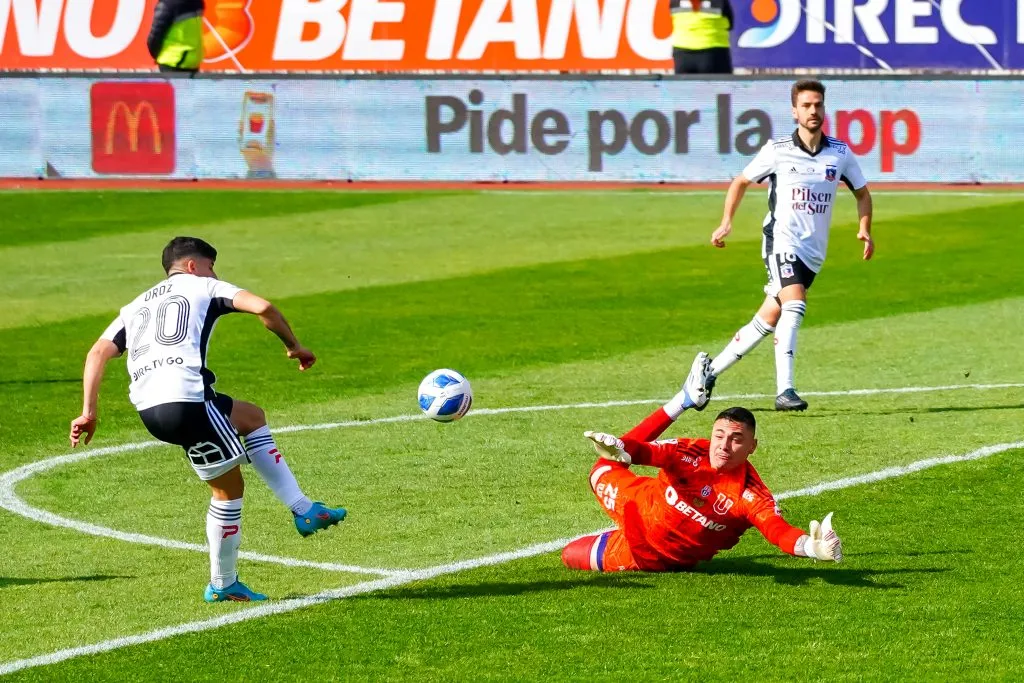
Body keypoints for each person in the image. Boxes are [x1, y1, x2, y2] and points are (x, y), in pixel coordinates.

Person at [69, 237, 347, 603]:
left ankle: (305, 510)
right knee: (228, 492)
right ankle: (223, 583)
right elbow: (263, 307)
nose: (215, 273)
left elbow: (98, 352)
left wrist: (89, 411)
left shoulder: (134, 305)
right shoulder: (204, 286)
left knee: (250, 417)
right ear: (192, 266)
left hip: (151, 407)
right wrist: (293, 345)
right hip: (188, 403)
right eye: (211, 265)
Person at [562, 354, 842, 572]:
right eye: (719, 435)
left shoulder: (750, 494)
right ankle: (683, 401)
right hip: (635, 502)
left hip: (647, 551)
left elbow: (776, 530)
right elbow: (647, 452)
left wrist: (811, 547)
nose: (723, 445)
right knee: (602, 467)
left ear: (752, 447)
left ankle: (684, 400)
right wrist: (624, 449)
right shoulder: (690, 452)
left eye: (736, 439)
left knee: (569, 554)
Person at [706, 79, 874, 411]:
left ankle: (708, 373)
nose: (814, 111)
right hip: (780, 241)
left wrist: (864, 228)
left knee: (770, 316)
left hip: (813, 252)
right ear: (794, 111)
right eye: (807, 105)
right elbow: (740, 181)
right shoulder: (778, 150)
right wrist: (726, 222)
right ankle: (786, 390)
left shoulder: (839, 153)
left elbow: (862, 193)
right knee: (795, 305)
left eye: (818, 105)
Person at [669, 0, 734, 75]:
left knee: (683, 86)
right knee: (721, 86)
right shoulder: (719, 2)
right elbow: (730, 24)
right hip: (713, 53)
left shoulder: (675, 2)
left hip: (682, 55)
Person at [148, 0, 205, 76]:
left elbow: (155, 36)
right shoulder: (198, 3)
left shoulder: (168, 4)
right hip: (191, 59)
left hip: (173, 60)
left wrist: (156, 54)